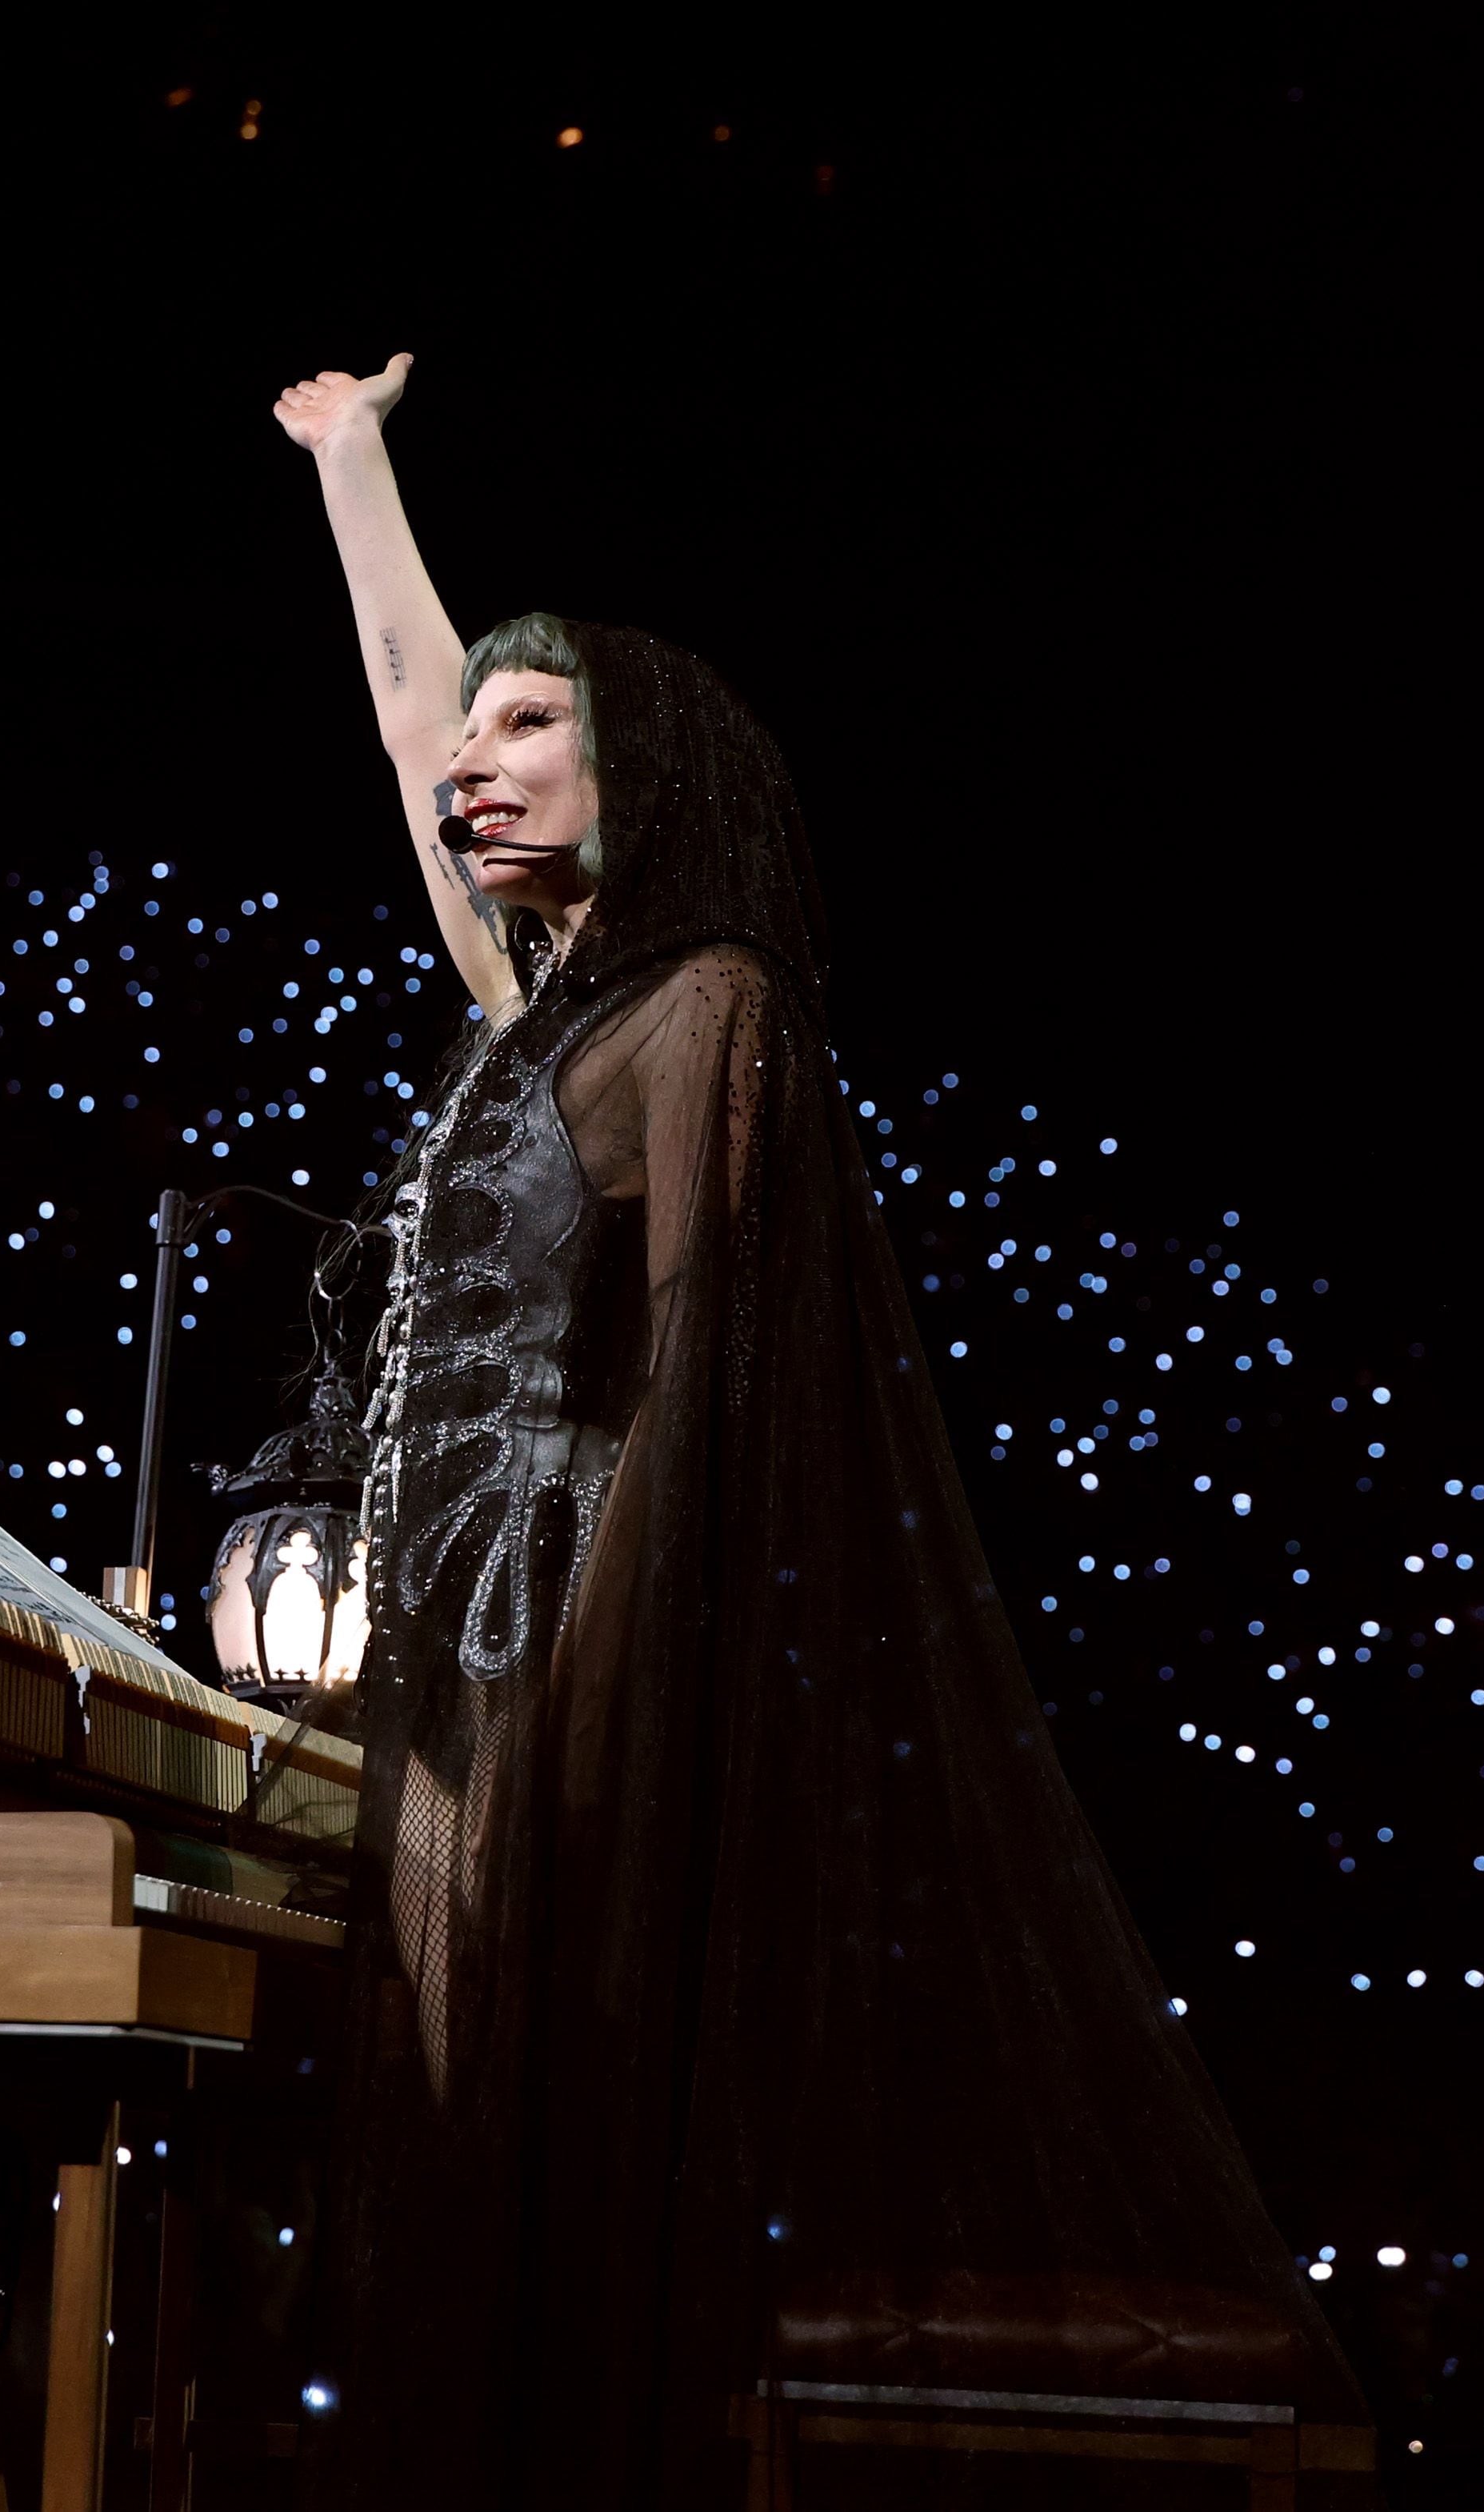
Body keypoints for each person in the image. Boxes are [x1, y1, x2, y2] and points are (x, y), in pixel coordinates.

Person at [269, 356, 1362, 2508]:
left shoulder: (711, 1008)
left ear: (644, 763)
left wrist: (590, 1720)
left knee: (526, 2131)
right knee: (437, 2118)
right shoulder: (533, 1016)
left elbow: (695, 1390)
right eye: (474, 728)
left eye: (534, 723)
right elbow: (415, 737)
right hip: (464, 1647)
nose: (473, 763)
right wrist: (353, 471)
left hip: (571, 1659)